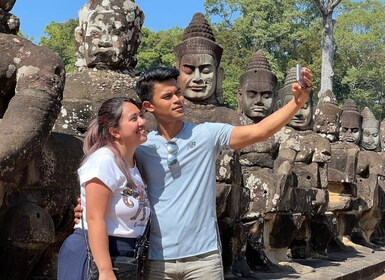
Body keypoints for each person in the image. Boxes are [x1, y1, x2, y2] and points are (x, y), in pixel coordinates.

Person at [75, 66, 312, 279]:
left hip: (204, 258)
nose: (178, 99)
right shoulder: (141, 146)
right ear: (149, 106)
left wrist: (296, 103)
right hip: (157, 259)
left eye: (178, 92)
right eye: (167, 96)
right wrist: (84, 209)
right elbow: (113, 184)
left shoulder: (207, 135)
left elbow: (260, 131)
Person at [59, 97, 150, 280]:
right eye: (134, 118)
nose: (142, 122)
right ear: (114, 131)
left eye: (141, 115)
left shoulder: (134, 166)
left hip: (127, 257)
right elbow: (95, 218)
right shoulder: (104, 160)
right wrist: (105, 270)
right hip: (97, 256)